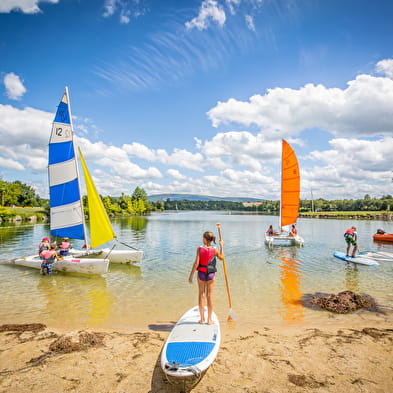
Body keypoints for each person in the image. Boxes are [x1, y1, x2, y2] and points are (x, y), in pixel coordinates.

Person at [189, 231, 224, 325]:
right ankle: (209, 320)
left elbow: (196, 263)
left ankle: (202, 319)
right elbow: (222, 258)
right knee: (210, 295)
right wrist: (221, 246)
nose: (202, 239)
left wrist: (191, 276)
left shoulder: (199, 249)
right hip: (211, 275)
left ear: (205, 239)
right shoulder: (215, 250)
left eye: (203, 237)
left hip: (201, 274)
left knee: (201, 295)